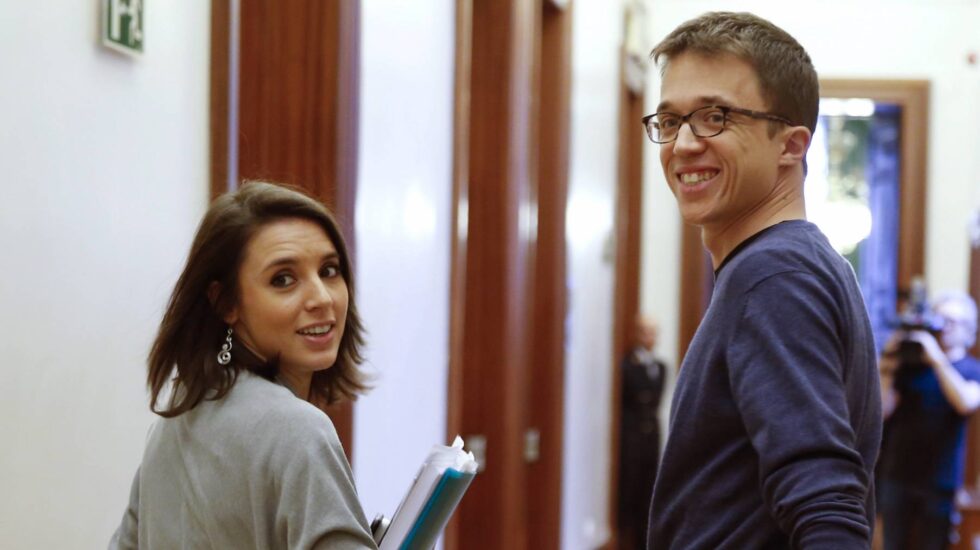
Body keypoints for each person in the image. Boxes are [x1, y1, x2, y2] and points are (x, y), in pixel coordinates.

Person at [643, 12, 881, 548]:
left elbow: (826, 505)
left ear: (791, 146)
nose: (682, 145)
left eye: (715, 117)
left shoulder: (773, 275)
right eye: (670, 120)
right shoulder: (794, 264)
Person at [109, 181, 378, 549]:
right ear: (225, 303)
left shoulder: (171, 427)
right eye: (283, 279)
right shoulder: (299, 432)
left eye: (329, 270)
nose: (321, 297)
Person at [878, 290, 980, 550]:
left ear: (968, 330)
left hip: (941, 482)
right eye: (940, 319)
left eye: (951, 322)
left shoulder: (971, 369)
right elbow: (881, 411)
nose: (943, 327)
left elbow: (965, 402)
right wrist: (888, 361)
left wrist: (937, 358)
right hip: (897, 474)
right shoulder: (911, 365)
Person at [617, 315, 667, 550]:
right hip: (631, 439)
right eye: (646, 332)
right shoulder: (628, 365)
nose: (650, 338)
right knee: (628, 493)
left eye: (654, 332)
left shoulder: (661, 367)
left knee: (649, 492)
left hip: (651, 438)